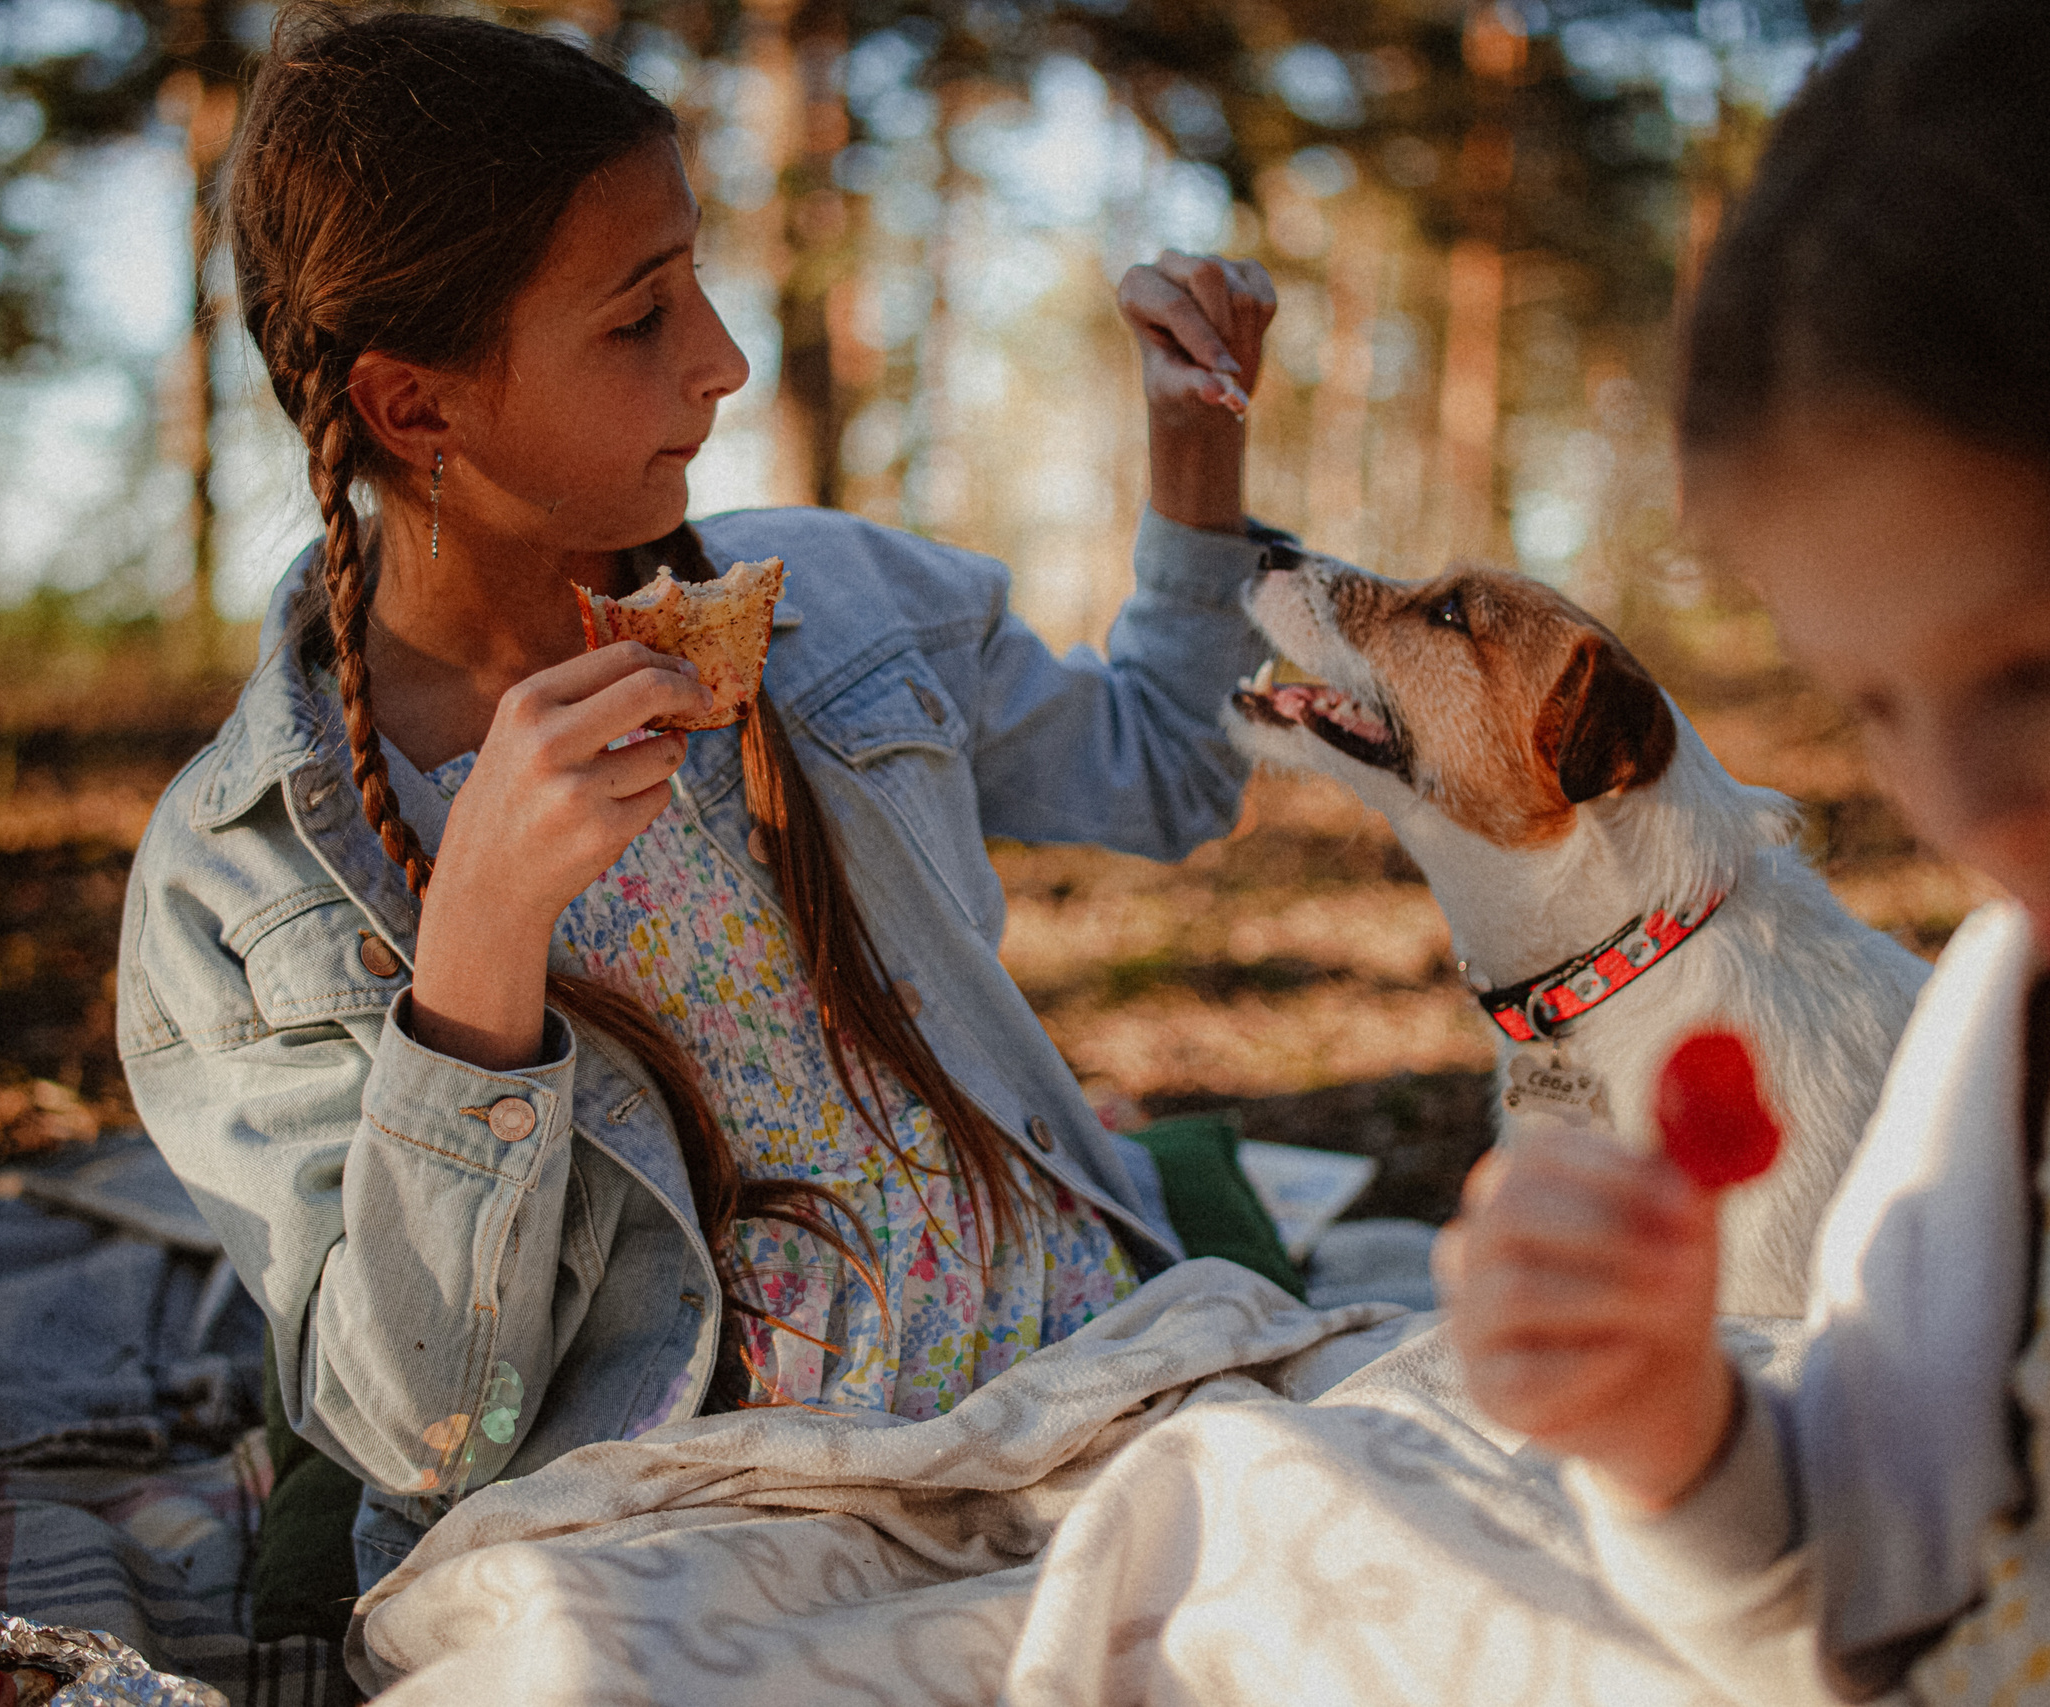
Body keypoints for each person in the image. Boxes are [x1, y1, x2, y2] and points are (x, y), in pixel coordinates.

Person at [117, 7, 1284, 1591]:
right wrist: (476, 953)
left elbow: (1166, 765)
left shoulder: (846, 611)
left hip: (1098, 1389)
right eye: (637, 316)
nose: (723, 358)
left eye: (699, 279)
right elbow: (423, 1436)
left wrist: (1191, 441)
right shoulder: (243, 881)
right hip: (712, 1531)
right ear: (417, 409)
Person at [1433, 0, 2050, 1700]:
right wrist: (1675, 1440)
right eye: (1876, 706)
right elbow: (1859, 1586)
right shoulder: (2030, 1024)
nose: (1971, 819)